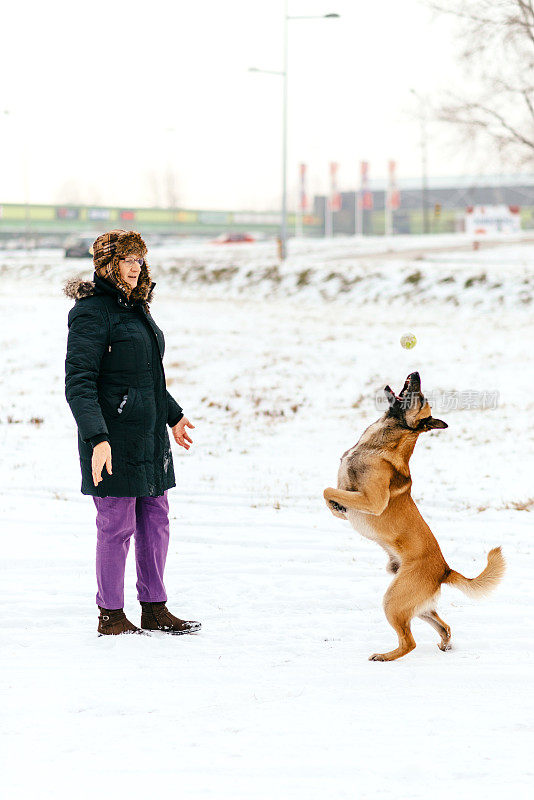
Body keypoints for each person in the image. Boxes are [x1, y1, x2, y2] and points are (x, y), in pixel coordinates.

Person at [64, 229, 201, 636]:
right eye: (128, 260)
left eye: (140, 260)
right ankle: (111, 614)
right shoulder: (91, 312)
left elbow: (147, 377)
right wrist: (97, 439)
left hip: (149, 435)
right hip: (111, 437)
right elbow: (80, 383)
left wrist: (173, 415)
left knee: (156, 519)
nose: (136, 267)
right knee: (116, 524)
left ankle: (154, 607)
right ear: (109, 264)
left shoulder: (138, 308)